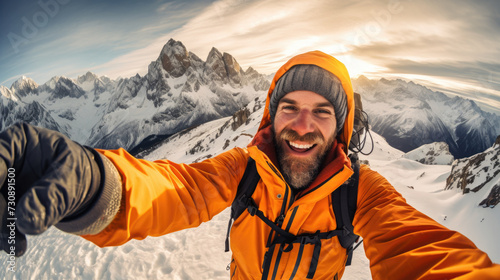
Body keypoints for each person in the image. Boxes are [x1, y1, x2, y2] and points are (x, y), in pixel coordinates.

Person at [0, 51, 499, 280]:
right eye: (290, 108)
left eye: (322, 112)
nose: (303, 126)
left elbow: (427, 254)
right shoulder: (244, 169)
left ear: (341, 129)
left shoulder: (362, 193)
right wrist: (94, 181)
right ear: (271, 116)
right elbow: (176, 189)